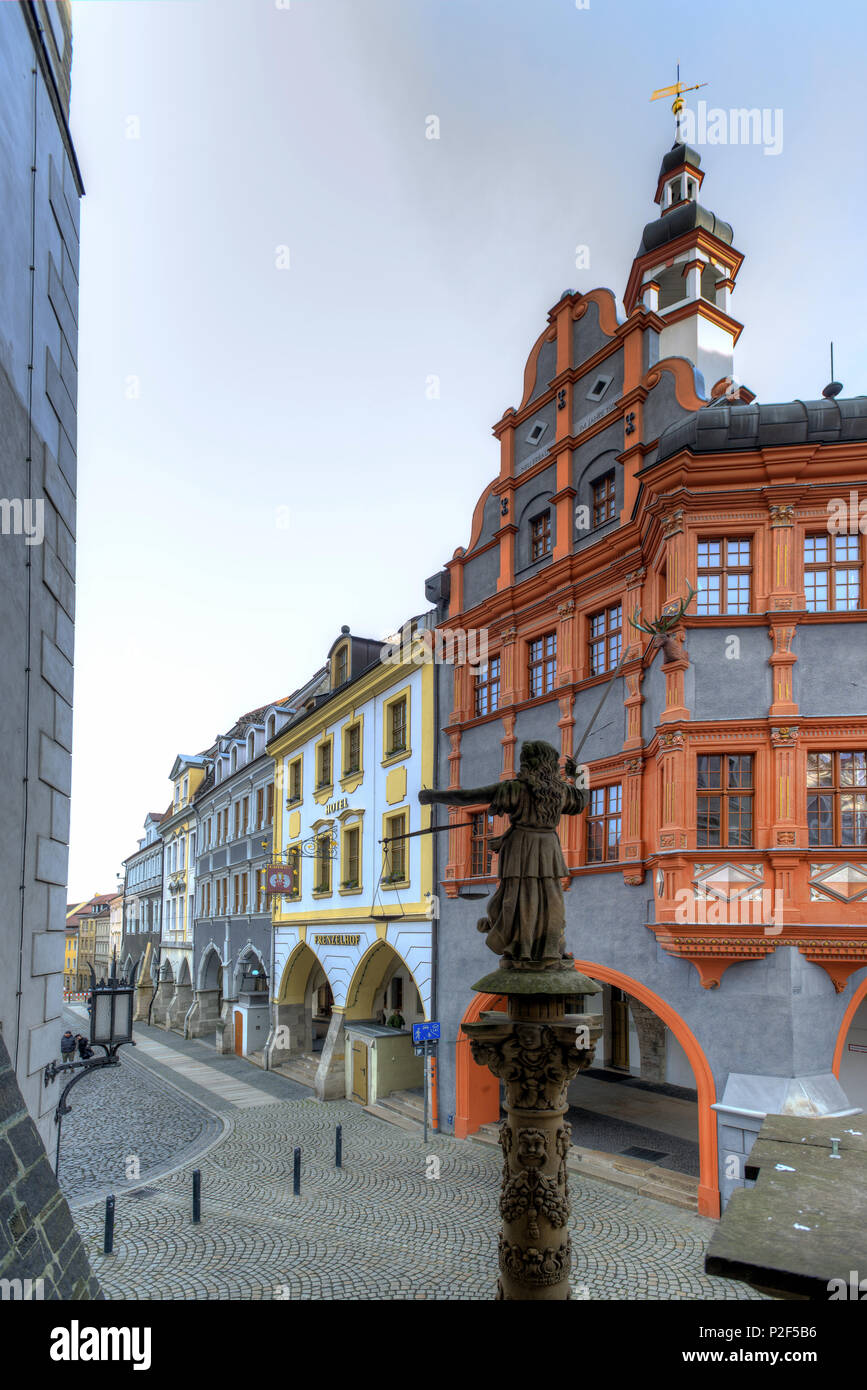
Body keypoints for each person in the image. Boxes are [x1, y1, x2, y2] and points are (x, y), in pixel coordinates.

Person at [418, 740, 588, 965]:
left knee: (516, 898)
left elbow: (469, 797)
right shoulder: (560, 792)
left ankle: (519, 947)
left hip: (520, 846)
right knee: (550, 898)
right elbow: (582, 799)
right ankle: (548, 948)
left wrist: (433, 796)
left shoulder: (515, 788)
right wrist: (581, 774)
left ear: (529, 763)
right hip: (548, 847)